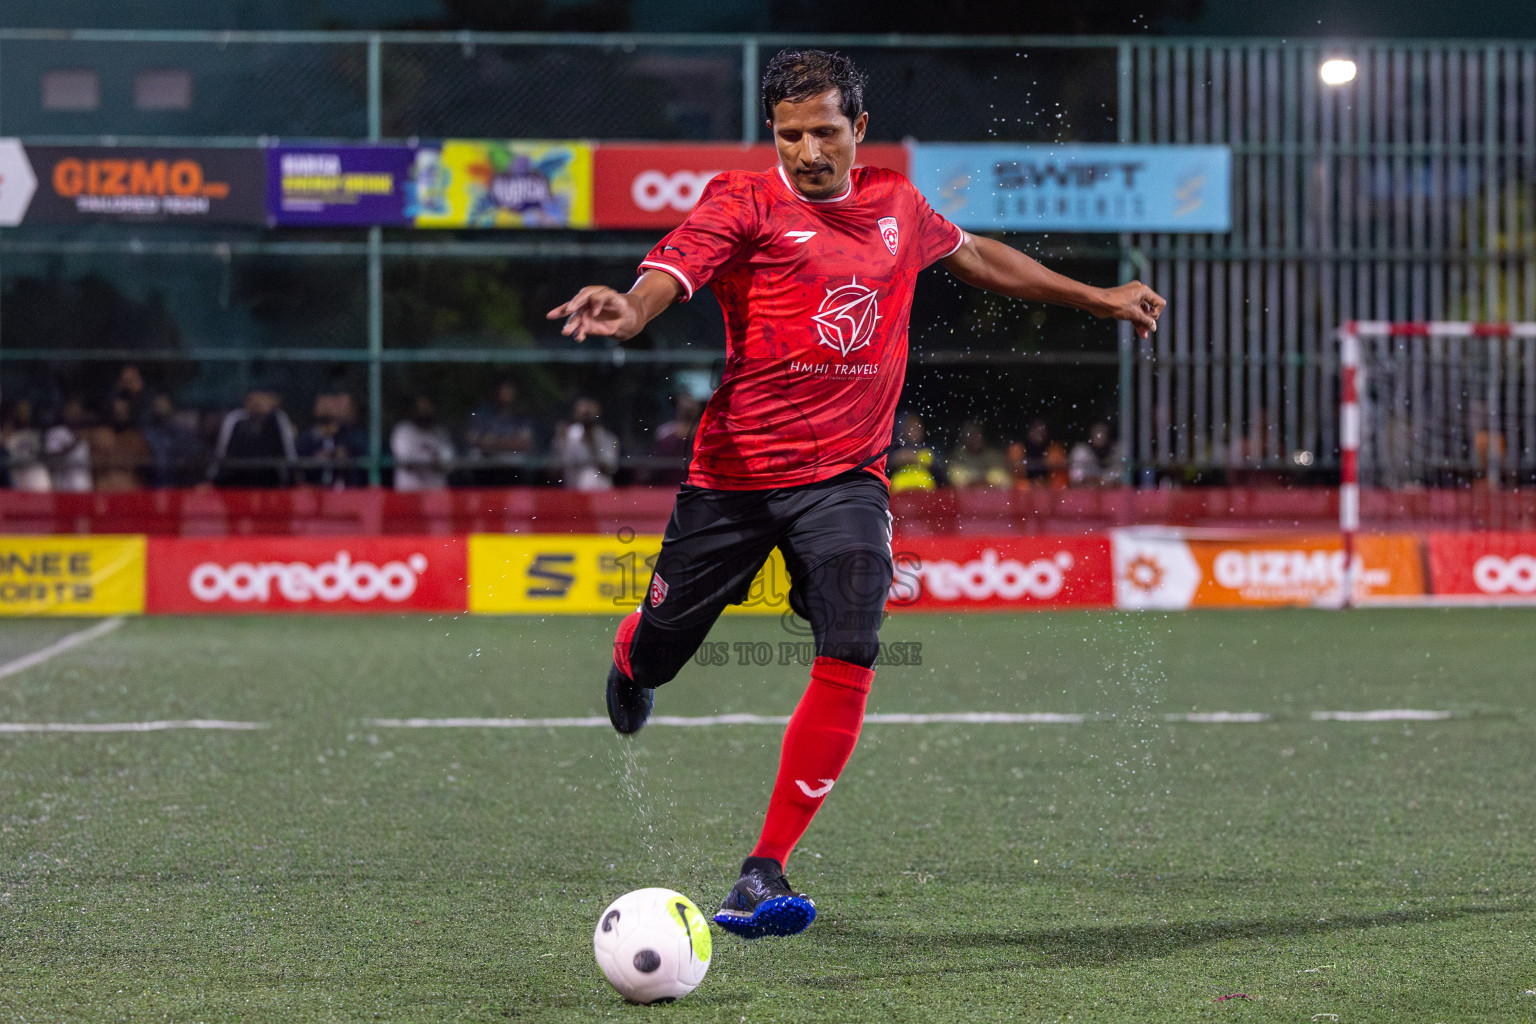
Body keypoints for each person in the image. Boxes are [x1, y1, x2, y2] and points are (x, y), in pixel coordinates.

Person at [546, 49, 1164, 940]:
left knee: (854, 634)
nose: (806, 150)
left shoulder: (898, 207)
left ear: (858, 129)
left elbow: (979, 255)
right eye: (790, 134)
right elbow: (672, 273)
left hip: (845, 478)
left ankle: (763, 871)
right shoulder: (740, 200)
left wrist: (1097, 297)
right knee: (663, 652)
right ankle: (636, 656)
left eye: (824, 131)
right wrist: (634, 312)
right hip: (734, 479)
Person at [211, 389, 298, 488]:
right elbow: (221, 452)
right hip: (237, 481)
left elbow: (289, 453)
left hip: (270, 482)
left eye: (262, 399)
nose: (257, 404)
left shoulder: (279, 419)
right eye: (252, 400)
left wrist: (294, 478)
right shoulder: (235, 419)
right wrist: (212, 478)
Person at [464, 379, 537, 485]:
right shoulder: (481, 415)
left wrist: (494, 442)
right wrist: (509, 443)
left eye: (510, 391)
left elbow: (525, 444)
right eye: (504, 391)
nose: (507, 395)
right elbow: (474, 441)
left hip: (513, 472)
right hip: (485, 472)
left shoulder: (520, 417)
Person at [296, 392, 368, 488]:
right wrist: (315, 460)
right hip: (314, 491)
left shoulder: (351, 435)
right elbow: (299, 465)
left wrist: (343, 457)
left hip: (345, 491)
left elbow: (360, 464)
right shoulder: (308, 437)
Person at [551, 396, 620, 491]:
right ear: (575, 414)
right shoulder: (568, 436)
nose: (586, 416)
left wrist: (592, 445)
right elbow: (557, 469)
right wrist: (561, 442)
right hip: (574, 491)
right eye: (583, 413)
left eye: (589, 413)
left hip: (601, 491)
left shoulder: (607, 438)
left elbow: (609, 468)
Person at [143, 393, 209, 488]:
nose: (161, 406)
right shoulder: (146, 434)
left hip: (180, 486)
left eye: (164, 403)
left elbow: (198, 454)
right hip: (154, 485)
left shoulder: (184, 433)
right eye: (158, 404)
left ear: (171, 406)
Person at [390, 395, 455, 491]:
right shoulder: (403, 430)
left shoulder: (440, 433)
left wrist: (434, 460)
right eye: (421, 408)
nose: (424, 412)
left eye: (427, 408)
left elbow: (447, 460)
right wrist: (432, 458)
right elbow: (406, 461)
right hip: (409, 492)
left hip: (435, 493)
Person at [89, 396, 152, 492]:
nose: (120, 413)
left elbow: (143, 468)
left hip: (129, 486)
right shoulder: (101, 435)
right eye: (117, 411)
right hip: (105, 486)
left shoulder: (136, 438)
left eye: (123, 411)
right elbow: (95, 470)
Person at [648, 392, 703, 486]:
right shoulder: (664, 432)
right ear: (678, 408)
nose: (688, 408)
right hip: (668, 488)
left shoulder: (708, 433)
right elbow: (656, 465)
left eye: (691, 405)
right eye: (685, 406)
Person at [44, 399, 93, 493]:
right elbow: (53, 461)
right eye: (72, 409)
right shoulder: (55, 433)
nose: (75, 413)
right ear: (65, 411)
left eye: (78, 410)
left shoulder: (84, 435)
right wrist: (75, 442)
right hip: (64, 491)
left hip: (84, 491)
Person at [2, 399, 51, 492]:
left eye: (26, 411)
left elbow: (44, 452)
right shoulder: (8, 432)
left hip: (35, 471)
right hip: (17, 472)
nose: (24, 414)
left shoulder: (38, 430)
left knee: (41, 503)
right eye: (20, 411)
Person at [886, 411, 941, 493]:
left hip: (925, 490)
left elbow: (940, 466)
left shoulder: (929, 448)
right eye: (911, 427)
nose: (916, 430)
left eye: (918, 427)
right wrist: (896, 459)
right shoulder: (896, 448)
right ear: (904, 429)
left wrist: (918, 458)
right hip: (901, 491)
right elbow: (885, 465)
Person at [946, 421, 1011, 488]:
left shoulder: (992, 455)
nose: (975, 438)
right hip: (966, 497)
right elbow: (958, 481)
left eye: (977, 434)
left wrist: (980, 481)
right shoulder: (958, 457)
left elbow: (1004, 480)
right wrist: (984, 481)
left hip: (992, 496)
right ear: (964, 438)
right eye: (972, 434)